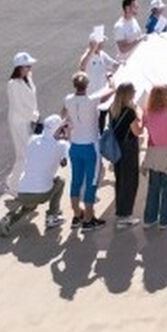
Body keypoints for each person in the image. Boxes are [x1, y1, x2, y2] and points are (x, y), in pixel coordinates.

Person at [0, 115, 68, 238]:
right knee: (60, 181)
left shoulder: (33, 139)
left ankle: (9, 219)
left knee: (30, 205)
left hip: (23, 190)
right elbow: (64, 163)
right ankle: (52, 216)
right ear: (58, 129)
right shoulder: (61, 145)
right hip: (41, 192)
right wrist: (66, 137)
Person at [61, 72, 104, 231]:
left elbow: (63, 114)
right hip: (90, 147)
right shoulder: (92, 100)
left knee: (76, 181)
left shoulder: (68, 99)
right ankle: (88, 219)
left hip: (75, 146)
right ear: (87, 85)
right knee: (91, 181)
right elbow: (109, 92)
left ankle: (77, 215)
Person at [141, 84, 167, 229]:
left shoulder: (147, 112)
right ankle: (165, 219)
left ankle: (149, 218)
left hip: (153, 153)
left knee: (153, 188)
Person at [104, 82, 142, 228]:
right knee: (130, 180)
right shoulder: (130, 112)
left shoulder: (113, 110)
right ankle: (125, 215)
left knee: (120, 180)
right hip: (128, 149)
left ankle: (121, 212)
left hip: (117, 148)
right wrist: (142, 122)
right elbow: (137, 131)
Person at [6, 52, 40, 194]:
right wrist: (34, 117)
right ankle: (13, 186)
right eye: (27, 66)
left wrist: (34, 116)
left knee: (26, 153)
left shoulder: (28, 78)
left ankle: (12, 180)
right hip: (19, 123)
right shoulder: (13, 85)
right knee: (23, 155)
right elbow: (17, 106)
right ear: (19, 68)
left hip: (28, 120)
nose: (30, 68)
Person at [78, 29, 118, 98]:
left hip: (103, 91)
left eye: (102, 43)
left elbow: (113, 64)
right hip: (91, 94)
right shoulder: (87, 55)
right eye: (100, 43)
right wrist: (92, 49)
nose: (102, 45)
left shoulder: (102, 54)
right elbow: (82, 66)